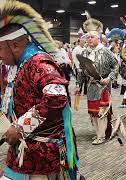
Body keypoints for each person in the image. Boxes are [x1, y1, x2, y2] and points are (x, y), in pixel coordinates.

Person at [0, 0, 78, 179]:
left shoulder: (38, 63)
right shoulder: (18, 64)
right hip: (25, 151)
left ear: (15, 45)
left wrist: (21, 126)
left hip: (42, 154)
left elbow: (57, 97)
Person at [81, 13, 119, 145]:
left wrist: (109, 78)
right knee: (93, 112)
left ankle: (102, 135)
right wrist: (79, 86)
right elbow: (82, 69)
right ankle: (98, 133)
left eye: (92, 37)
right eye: (87, 37)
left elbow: (116, 65)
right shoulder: (84, 52)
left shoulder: (105, 51)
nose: (89, 39)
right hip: (91, 85)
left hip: (103, 86)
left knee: (101, 111)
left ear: (98, 38)